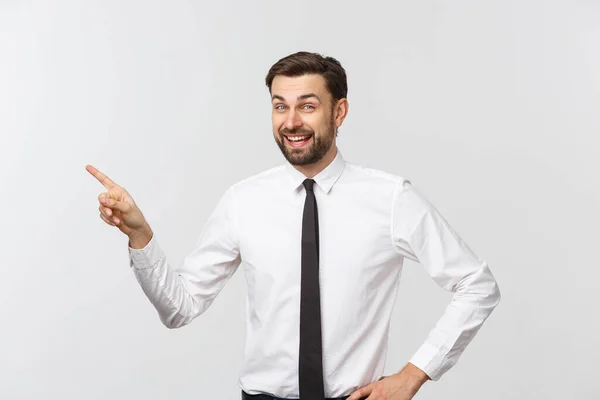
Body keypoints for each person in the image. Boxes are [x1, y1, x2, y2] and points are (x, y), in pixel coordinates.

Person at [86, 51, 501, 400]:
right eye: (280, 105)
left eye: (307, 105)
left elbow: (477, 285)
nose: (291, 121)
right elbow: (180, 308)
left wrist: (414, 375)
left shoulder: (390, 198)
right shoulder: (243, 201)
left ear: (338, 111)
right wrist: (140, 236)